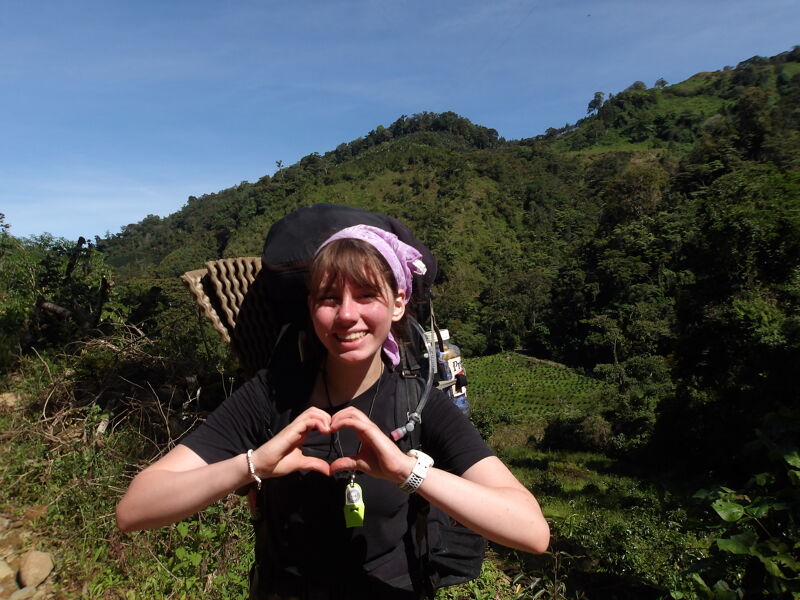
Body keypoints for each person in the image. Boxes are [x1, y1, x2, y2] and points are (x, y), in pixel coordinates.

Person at [116, 224, 550, 599]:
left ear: (398, 303)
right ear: (311, 309)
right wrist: (253, 465)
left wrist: (406, 473)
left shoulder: (417, 404)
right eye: (328, 297)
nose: (346, 315)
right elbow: (134, 510)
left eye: (366, 295)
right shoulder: (271, 395)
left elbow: (531, 532)